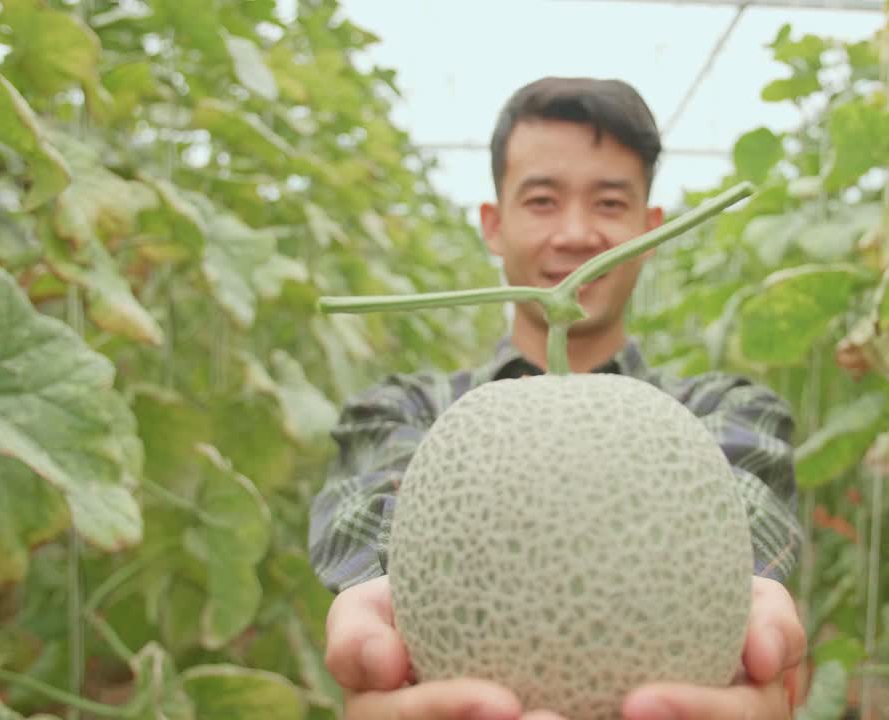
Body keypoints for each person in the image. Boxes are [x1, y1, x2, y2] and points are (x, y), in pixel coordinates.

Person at [309, 76, 807, 720]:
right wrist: (384, 589)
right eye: (542, 201)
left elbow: (734, 526)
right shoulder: (403, 409)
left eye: (608, 204)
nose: (575, 234)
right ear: (494, 225)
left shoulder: (725, 410)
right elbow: (375, 520)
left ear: (650, 229)